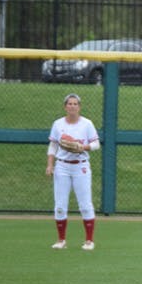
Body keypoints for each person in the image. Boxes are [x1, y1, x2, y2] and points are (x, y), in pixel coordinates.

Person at [46, 93, 99, 250]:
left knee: (85, 205)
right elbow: (53, 146)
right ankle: (61, 240)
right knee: (60, 205)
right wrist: (50, 165)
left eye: (75, 104)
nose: (72, 106)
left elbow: (96, 144)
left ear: (79, 107)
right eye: (69, 103)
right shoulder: (58, 124)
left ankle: (89, 241)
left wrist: (83, 147)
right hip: (62, 166)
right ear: (65, 106)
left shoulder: (87, 124)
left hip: (80, 166)